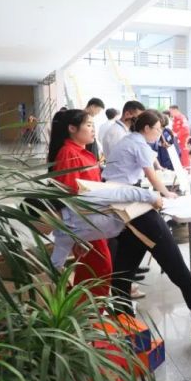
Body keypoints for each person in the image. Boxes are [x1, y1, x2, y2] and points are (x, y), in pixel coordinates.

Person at [102, 110, 191, 340]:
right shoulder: (136, 143)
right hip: (130, 213)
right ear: (146, 128)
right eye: (158, 129)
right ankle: (126, 327)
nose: (160, 133)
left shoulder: (130, 141)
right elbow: (150, 175)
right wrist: (164, 193)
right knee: (123, 276)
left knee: (169, 271)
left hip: (135, 212)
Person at [47, 109, 113, 297]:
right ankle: (87, 310)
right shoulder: (69, 153)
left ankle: (86, 310)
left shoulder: (82, 152)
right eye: (89, 125)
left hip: (93, 220)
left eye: (93, 125)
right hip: (85, 223)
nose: (93, 129)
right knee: (100, 269)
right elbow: (67, 194)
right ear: (72, 128)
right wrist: (76, 235)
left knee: (92, 270)